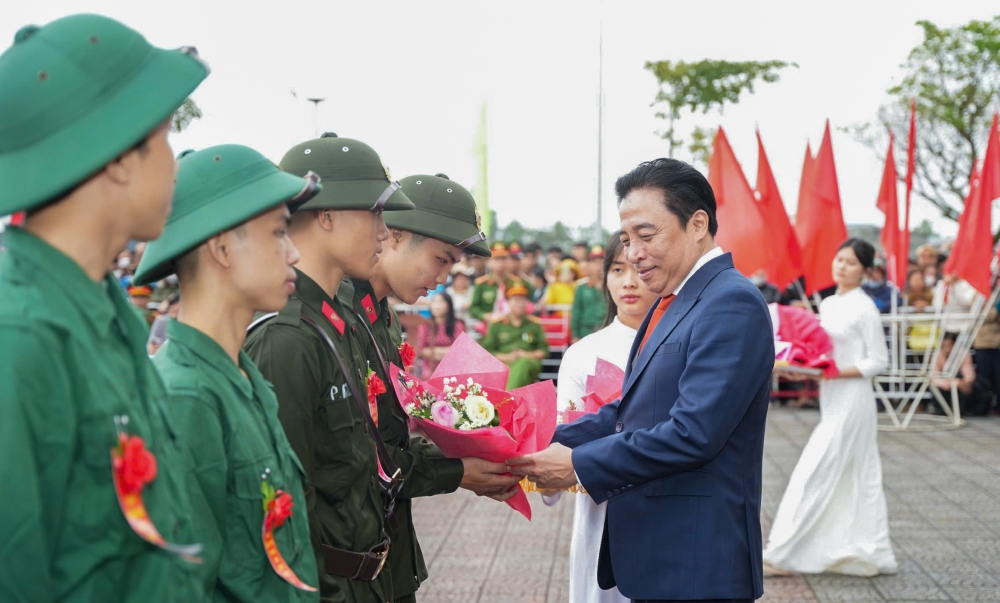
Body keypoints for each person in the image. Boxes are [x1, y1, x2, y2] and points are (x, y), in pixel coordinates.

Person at [0, 13, 209, 602]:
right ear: (119, 156)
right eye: (163, 140)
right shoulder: (20, 336)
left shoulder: (102, 311)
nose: (174, 165)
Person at [509, 158, 774, 603]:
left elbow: (693, 433)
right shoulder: (674, 300)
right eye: (628, 239)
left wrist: (577, 465)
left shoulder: (731, 303)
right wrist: (530, 444)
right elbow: (631, 412)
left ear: (697, 224)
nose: (633, 253)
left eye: (646, 235)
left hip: (697, 560)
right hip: (663, 554)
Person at [134, 145, 321, 600]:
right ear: (220, 248)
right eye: (279, 232)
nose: (294, 253)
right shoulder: (185, 397)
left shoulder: (241, 378)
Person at [244, 134, 415, 603]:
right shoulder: (288, 338)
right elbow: (281, 509)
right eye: (374, 214)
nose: (384, 233)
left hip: (366, 581)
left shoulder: (338, 323)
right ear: (326, 216)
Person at [345, 172, 520, 603]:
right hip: (347, 562)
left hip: (386, 551)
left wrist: (480, 453)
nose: (443, 278)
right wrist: (457, 471)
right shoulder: (339, 320)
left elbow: (389, 438)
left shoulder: (383, 317)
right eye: (441, 259)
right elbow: (352, 459)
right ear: (395, 234)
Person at [764, 238, 897, 577]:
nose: (842, 267)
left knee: (816, 471)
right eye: (839, 260)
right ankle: (867, 549)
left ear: (865, 271)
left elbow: (878, 361)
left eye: (851, 263)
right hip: (831, 396)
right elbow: (822, 354)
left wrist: (835, 372)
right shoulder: (830, 303)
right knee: (852, 475)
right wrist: (803, 369)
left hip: (854, 399)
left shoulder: (864, 307)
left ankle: (781, 554)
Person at [551, 233, 657, 603]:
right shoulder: (583, 354)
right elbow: (563, 435)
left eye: (639, 269)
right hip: (601, 508)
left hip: (668, 502)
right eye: (617, 270)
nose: (629, 282)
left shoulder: (685, 344)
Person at [481, 284, 550, 389]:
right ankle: (512, 395)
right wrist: (506, 357)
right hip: (503, 362)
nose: (519, 303)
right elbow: (487, 351)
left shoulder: (535, 324)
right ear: (508, 302)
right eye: (516, 300)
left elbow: (544, 351)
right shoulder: (497, 324)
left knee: (523, 363)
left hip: (529, 362)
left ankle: (507, 395)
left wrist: (525, 354)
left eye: (523, 300)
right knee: (508, 369)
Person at [933, 333, 990, 416]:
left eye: (949, 346)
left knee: (969, 385)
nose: (947, 349)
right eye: (944, 346)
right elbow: (934, 377)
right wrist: (955, 383)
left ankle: (963, 409)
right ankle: (942, 409)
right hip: (945, 384)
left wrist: (960, 383)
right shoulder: (937, 355)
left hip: (959, 383)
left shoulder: (963, 353)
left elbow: (969, 375)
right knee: (936, 387)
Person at [418, 292, 467, 377]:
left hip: (452, 366)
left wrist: (432, 351)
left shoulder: (458, 325)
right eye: (434, 301)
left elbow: (459, 350)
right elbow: (420, 349)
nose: (436, 305)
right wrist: (447, 351)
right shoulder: (425, 325)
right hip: (429, 367)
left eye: (440, 301)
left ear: (449, 305)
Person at [571, 245, 609, 342]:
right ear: (588, 264)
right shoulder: (581, 287)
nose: (598, 266)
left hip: (607, 329)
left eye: (601, 262)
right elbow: (576, 312)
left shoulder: (612, 285)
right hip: (586, 331)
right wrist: (575, 335)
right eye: (594, 262)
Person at [446, 265, 476, 329]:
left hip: (472, 326)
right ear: (454, 279)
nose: (461, 280)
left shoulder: (474, 291)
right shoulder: (449, 292)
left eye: (464, 277)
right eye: (458, 278)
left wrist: (471, 305)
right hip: (454, 326)